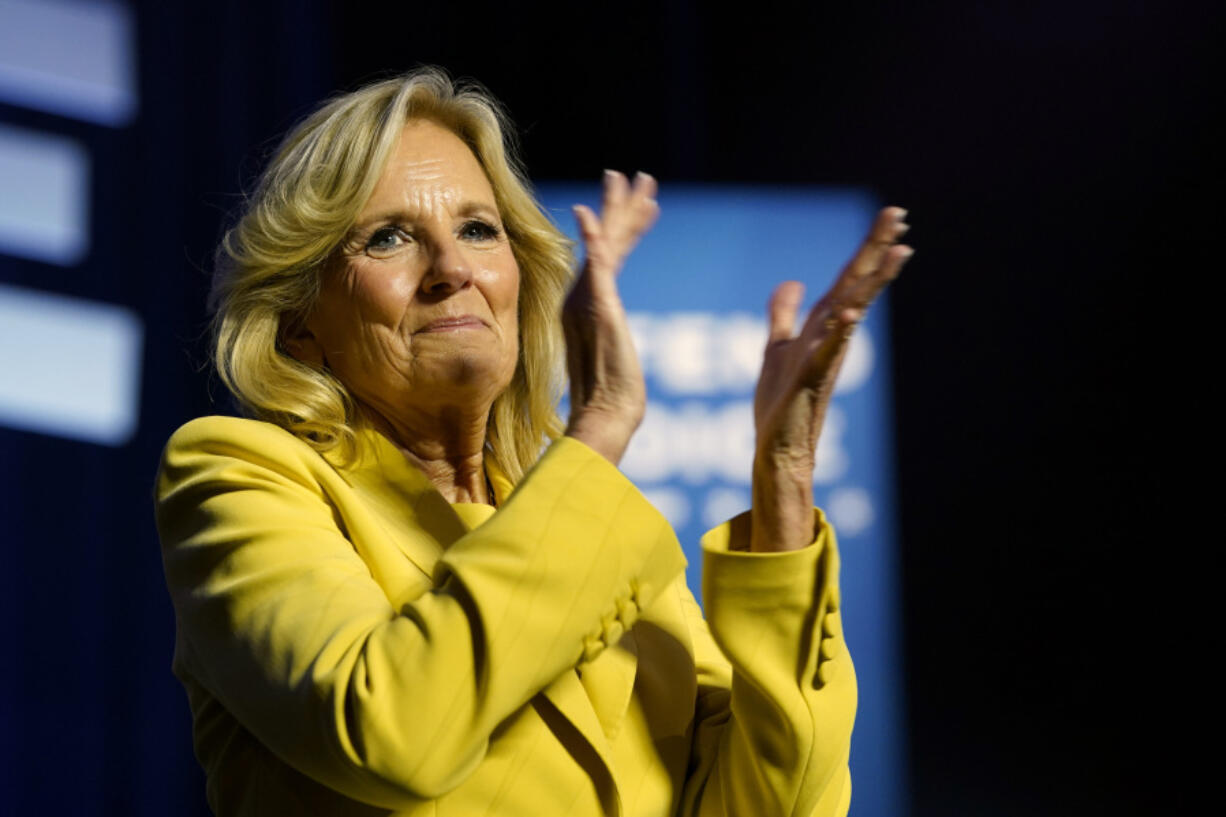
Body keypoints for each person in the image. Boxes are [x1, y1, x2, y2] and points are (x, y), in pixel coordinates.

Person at [154, 67, 912, 817]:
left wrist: (782, 479)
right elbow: (391, 732)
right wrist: (604, 421)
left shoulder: (597, 531)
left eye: (478, 229)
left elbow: (773, 804)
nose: (452, 269)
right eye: (387, 238)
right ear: (300, 325)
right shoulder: (237, 475)